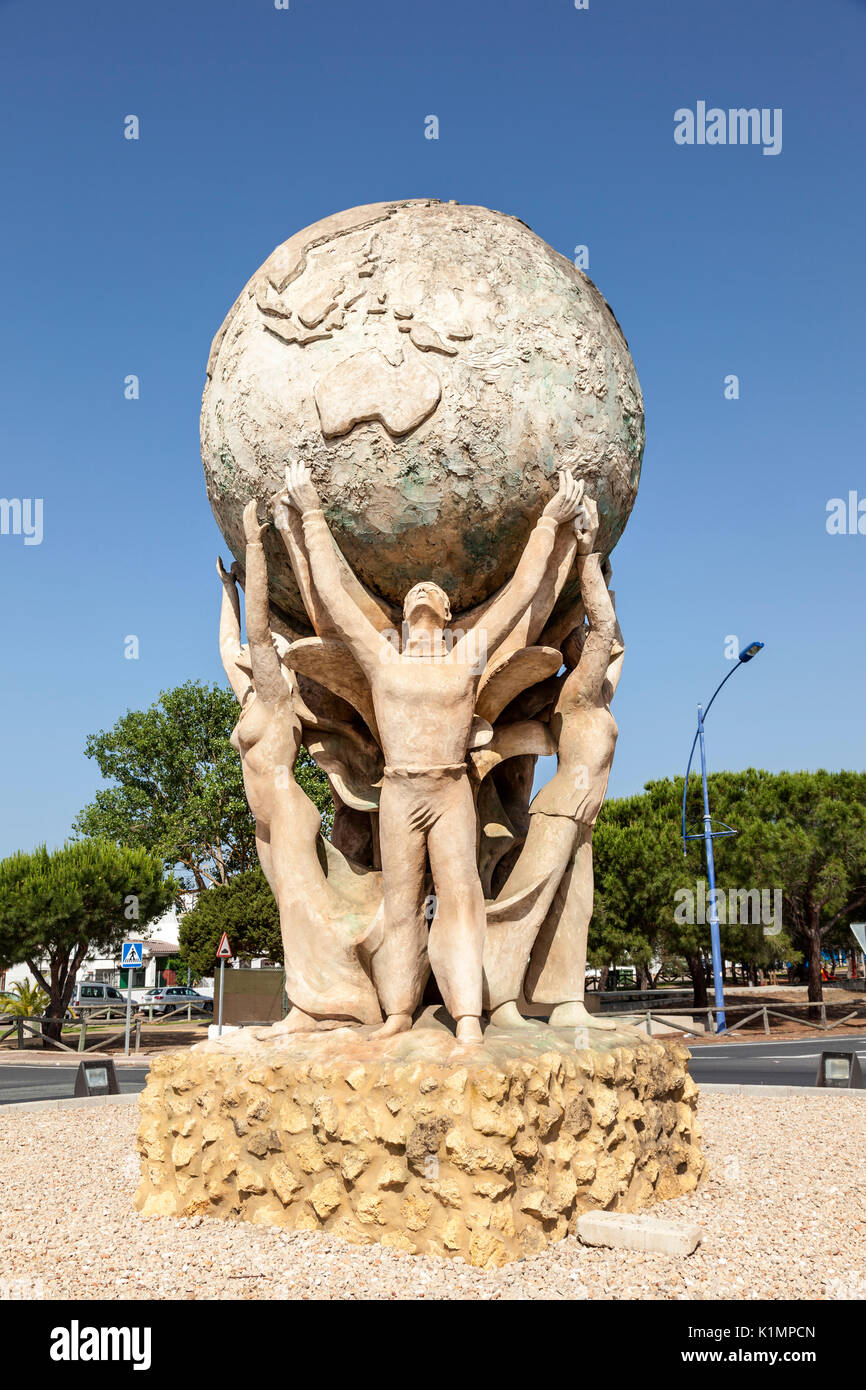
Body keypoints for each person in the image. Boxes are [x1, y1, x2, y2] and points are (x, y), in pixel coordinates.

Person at [274, 461, 585, 1042]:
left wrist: (548, 521)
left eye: (432, 596)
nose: (421, 596)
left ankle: (468, 1015)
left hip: (448, 791)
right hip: (398, 790)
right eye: (412, 595)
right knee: (401, 903)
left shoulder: (466, 657)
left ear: (446, 615)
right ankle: (397, 1011)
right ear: (400, 617)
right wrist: (312, 513)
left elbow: (519, 594)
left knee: (462, 896)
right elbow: (337, 602)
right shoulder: (381, 658)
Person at [217, 500, 381, 1032]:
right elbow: (228, 645)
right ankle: (312, 1005)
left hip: (287, 813)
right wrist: (227, 590)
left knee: (303, 910)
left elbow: (259, 631)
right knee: (291, 907)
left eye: (263, 659)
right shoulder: (250, 702)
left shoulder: (274, 698)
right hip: (266, 821)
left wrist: (255, 548)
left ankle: (329, 1005)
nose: (251, 657)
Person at [484, 493, 624, 1030]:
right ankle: (495, 999)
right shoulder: (579, 696)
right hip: (561, 807)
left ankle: (564, 1002)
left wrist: (605, 580)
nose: (599, 650)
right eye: (586, 645)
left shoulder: (600, 699)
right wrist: (586, 557)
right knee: (527, 900)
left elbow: (617, 644)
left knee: (574, 906)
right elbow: (606, 632)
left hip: (581, 816)